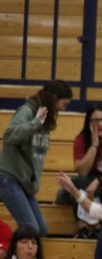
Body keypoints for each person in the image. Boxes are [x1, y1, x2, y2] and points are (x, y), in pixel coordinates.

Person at [0, 80, 73, 235]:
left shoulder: (45, 117)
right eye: (63, 104)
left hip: (24, 182)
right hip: (9, 178)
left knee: (41, 231)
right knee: (31, 230)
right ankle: (13, 255)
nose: (63, 108)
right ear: (54, 98)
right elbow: (9, 135)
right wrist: (34, 123)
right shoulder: (27, 111)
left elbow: (36, 157)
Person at [66, 105, 102, 237]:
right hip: (87, 182)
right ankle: (85, 226)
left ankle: (95, 226)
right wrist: (94, 145)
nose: (100, 124)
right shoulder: (81, 139)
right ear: (88, 123)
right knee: (77, 181)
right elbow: (82, 171)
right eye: (95, 120)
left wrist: (98, 181)